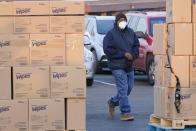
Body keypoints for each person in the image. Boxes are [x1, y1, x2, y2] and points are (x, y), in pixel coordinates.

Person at [103, 12, 140, 121]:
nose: (122, 22)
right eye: (120, 20)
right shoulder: (111, 34)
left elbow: (136, 46)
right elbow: (107, 49)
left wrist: (133, 55)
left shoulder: (131, 32)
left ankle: (112, 102)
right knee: (123, 89)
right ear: (116, 22)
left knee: (128, 88)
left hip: (128, 65)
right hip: (117, 66)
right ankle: (125, 112)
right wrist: (123, 54)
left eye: (124, 20)